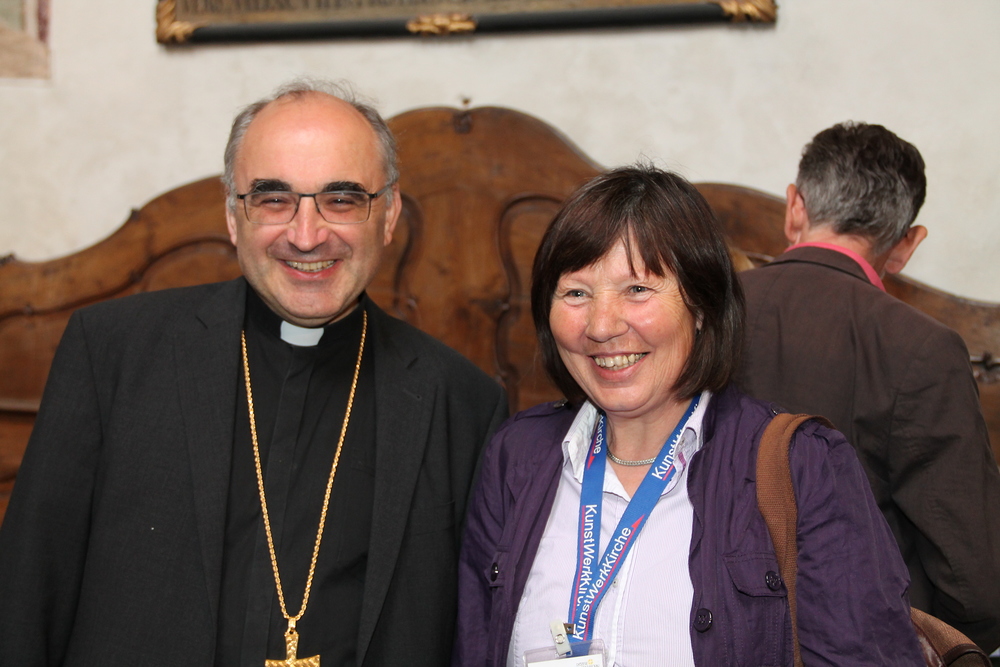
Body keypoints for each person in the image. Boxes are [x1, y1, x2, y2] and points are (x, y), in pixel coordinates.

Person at [0, 79, 507, 666]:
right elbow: (25, 602)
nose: (307, 236)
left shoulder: (462, 404)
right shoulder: (112, 353)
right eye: (273, 200)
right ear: (233, 216)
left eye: (342, 200)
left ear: (388, 214)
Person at [454, 165, 922, 666]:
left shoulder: (804, 467)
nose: (601, 326)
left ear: (701, 306)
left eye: (637, 289)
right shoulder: (517, 457)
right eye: (576, 293)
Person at [736, 122, 1000, 652]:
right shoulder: (924, 347)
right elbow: (976, 580)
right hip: (858, 643)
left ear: (794, 208)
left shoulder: (699, 312)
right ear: (906, 245)